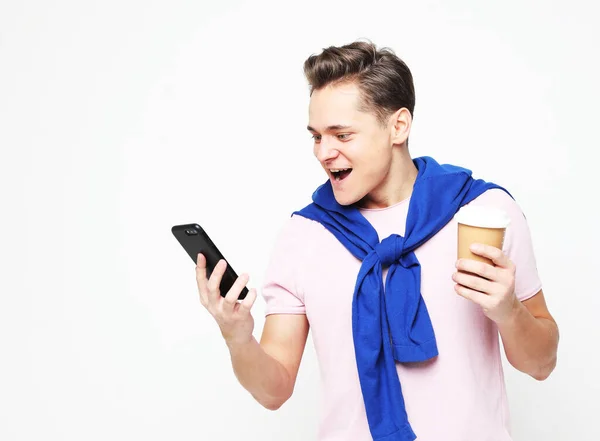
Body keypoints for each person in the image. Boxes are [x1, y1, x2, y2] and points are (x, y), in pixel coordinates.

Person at [194, 40, 559, 441]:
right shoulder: (304, 235)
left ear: (398, 126)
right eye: (316, 136)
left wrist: (508, 311)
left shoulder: (482, 212)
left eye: (342, 135)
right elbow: (273, 390)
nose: (324, 152)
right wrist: (238, 337)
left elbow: (541, 363)